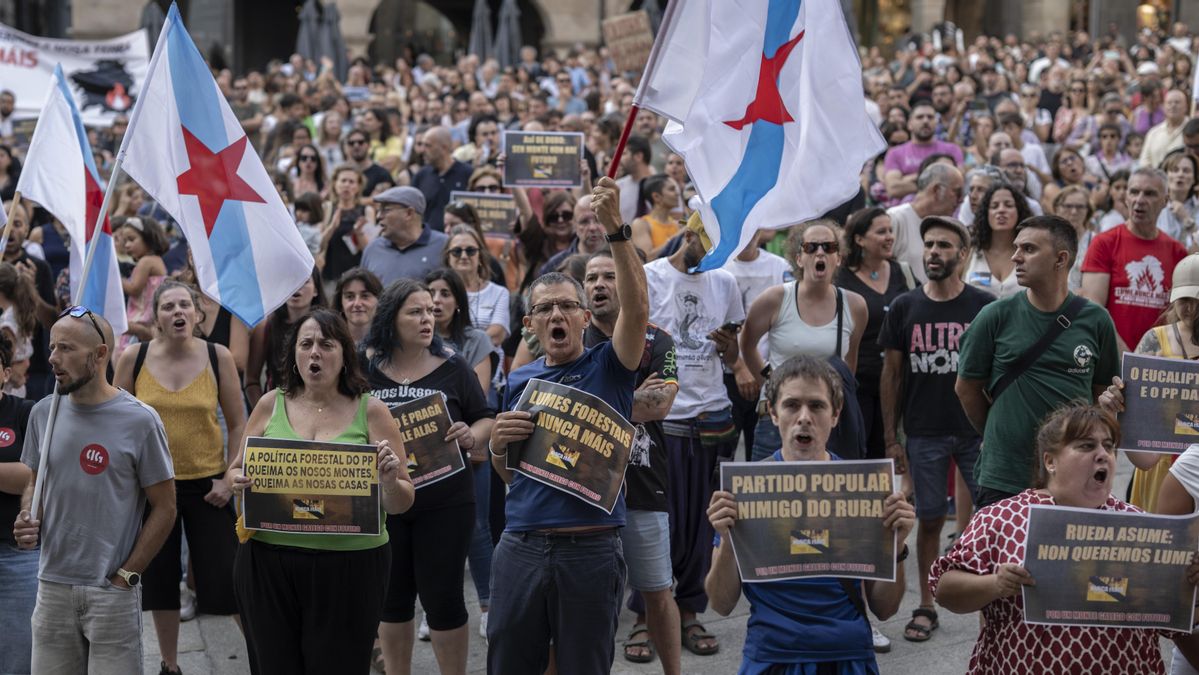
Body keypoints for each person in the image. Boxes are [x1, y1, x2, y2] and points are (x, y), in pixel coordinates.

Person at [486, 176, 648, 673]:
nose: (556, 314)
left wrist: (616, 230)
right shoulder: (520, 381)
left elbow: (637, 309)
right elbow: (515, 474)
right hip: (522, 545)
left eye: (566, 306)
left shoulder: (611, 366)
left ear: (583, 318)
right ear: (530, 325)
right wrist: (496, 449)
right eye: (544, 309)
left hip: (591, 548)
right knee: (509, 662)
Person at [930, 403, 1199, 674]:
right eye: (1086, 446)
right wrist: (996, 584)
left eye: (1108, 445)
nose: (1102, 454)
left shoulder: (1140, 524)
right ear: (1050, 461)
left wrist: (1187, 585)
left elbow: (1174, 623)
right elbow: (945, 590)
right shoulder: (1001, 518)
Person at [226, 308, 415, 674]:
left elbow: (403, 501)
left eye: (326, 345)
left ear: (345, 355)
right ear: (293, 355)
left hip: (350, 568)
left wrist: (389, 482)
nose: (315, 353)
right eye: (306, 344)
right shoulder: (269, 404)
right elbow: (237, 469)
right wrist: (237, 481)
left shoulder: (372, 411)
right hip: (269, 563)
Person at [705, 355, 915, 673]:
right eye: (792, 405)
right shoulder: (744, 491)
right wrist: (727, 538)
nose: (804, 417)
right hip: (772, 656)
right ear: (774, 414)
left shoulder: (866, 491)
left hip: (848, 656)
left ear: (835, 415)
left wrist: (897, 546)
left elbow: (885, 609)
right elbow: (721, 604)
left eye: (816, 406)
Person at [12, 307, 176, 673]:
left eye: (66, 349)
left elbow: (165, 508)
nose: (53, 358)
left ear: (100, 355)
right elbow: (35, 481)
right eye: (52, 347)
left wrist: (127, 575)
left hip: (111, 592)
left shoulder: (141, 420)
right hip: (52, 586)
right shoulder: (43, 413)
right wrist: (28, 514)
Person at [112, 281, 246, 675]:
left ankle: (263, 653)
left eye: (185, 304)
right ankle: (170, 664)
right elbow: (116, 422)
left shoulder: (216, 355)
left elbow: (239, 424)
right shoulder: (133, 358)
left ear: (198, 313)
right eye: (168, 306)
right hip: (153, 489)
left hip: (209, 486)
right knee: (160, 581)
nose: (178, 312)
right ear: (156, 316)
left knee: (226, 579)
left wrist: (229, 474)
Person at [363, 280, 495, 675]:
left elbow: (485, 416)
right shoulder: (362, 366)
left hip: (447, 502)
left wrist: (473, 436)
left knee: (445, 598)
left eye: (430, 310)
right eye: (416, 311)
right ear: (391, 319)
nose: (428, 317)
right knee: (392, 599)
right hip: (384, 502)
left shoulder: (453, 366)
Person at [879, 216, 993, 643]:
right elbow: (891, 376)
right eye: (929, 245)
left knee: (988, 519)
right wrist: (893, 438)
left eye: (944, 246)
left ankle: (991, 603)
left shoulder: (983, 305)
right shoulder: (906, 307)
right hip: (923, 431)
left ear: (963, 255)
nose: (933, 253)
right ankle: (927, 604)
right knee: (927, 520)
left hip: (975, 431)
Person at [956, 215, 1120, 509]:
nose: (1016, 257)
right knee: (1001, 557)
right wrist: (999, 434)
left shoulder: (1096, 320)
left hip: (1073, 479)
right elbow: (966, 387)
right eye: (1016, 248)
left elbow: (1102, 395)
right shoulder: (994, 316)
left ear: (1060, 259)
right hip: (1003, 477)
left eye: (1029, 249)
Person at [642, 211, 744, 656]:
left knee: (703, 524)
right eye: (710, 244)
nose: (715, 255)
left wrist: (730, 348)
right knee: (660, 522)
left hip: (711, 416)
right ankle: (648, 613)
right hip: (666, 418)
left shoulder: (724, 282)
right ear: (689, 235)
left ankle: (689, 612)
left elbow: (733, 350)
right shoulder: (650, 276)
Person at [579, 250, 682, 671]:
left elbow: (660, 405)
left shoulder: (660, 340)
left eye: (609, 275)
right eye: (591, 278)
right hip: (583, 488)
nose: (599, 284)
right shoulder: (571, 337)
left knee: (657, 591)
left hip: (643, 484)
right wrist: (631, 398)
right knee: (589, 600)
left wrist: (592, 401)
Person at [741, 220, 868, 460]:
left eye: (828, 247)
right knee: (769, 491)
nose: (820, 252)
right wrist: (770, 384)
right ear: (799, 258)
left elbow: (848, 366)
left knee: (826, 494)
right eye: (811, 247)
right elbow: (747, 345)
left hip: (825, 420)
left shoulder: (855, 306)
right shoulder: (775, 298)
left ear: (838, 258)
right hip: (778, 419)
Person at [834, 207, 914, 461]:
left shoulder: (903, 272)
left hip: (896, 383)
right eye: (881, 232)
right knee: (854, 456)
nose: (889, 236)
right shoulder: (841, 278)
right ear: (859, 239)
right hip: (856, 385)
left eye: (890, 230)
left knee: (887, 460)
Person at [1081, 167, 1188, 352]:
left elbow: (1183, 317)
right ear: (1126, 198)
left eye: (1149, 194)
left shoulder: (1177, 252)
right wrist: (1128, 359)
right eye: (1134, 192)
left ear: (1165, 201)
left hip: (1161, 363)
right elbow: (1094, 309)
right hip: (1112, 359)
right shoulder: (1104, 243)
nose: (1139, 200)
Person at [0, 334, 36, 674]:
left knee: (18, 659)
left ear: (5, 373)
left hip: (16, 557)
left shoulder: (25, 412)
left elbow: (29, 476)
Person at [245, 269, 324, 407]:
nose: (297, 287)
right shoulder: (266, 327)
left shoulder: (329, 328)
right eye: (290, 281)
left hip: (318, 408)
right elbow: (251, 381)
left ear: (316, 290)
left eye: (304, 281)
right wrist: (266, 413)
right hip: (278, 412)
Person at [886, 163, 965, 283]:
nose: (961, 200)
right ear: (937, 190)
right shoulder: (896, 218)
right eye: (957, 192)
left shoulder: (949, 227)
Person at [361, 186, 450, 287]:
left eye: (386, 210)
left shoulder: (444, 245)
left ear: (409, 213)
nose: (378, 216)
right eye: (379, 210)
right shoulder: (373, 249)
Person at [442, 225, 510, 350]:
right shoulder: (439, 293)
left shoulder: (499, 293)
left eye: (470, 250)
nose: (463, 256)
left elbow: (497, 334)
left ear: (480, 256)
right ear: (448, 257)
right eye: (457, 251)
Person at [882, 101, 964, 204]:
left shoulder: (952, 150)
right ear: (909, 124)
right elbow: (893, 189)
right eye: (920, 117)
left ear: (936, 122)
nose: (925, 121)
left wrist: (908, 179)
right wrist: (938, 181)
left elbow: (957, 185)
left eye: (930, 117)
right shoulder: (895, 153)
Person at [966, 182, 1034, 298]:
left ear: (1019, 211)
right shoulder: (969, 251)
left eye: (1008, 205)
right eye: (994, 206)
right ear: (986, 213)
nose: (1001, 210)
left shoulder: (1032, 254)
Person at [113, 215, 169, 355]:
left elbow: (134, 289)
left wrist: (115, 278)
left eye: (131, 239)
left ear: (148, 238)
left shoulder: (146, 261)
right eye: (125, 241)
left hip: (141, 321)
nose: (126, 245)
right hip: (149, 322)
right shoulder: (156, 260)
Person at [413, 127, 473, 231]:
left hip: (459, 241)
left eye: (428, 145)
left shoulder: (467, 174)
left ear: (444, 148)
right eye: (421, 145)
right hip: (428, 241)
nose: (422, 150)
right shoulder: (421, 175)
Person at [1052, 185, 1097, 292]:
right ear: (1057, 208)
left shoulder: (1096, 241)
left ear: (1088, 210)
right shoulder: (1047, 239)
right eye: (1068, 206)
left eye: (1080, 207)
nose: (1074, 212)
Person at [631, 174, 682, 257]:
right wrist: (678, 235)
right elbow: (647, 258)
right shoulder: (640, 224)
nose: (677, 193)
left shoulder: (679, 223)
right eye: (672, 189)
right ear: (656, 197)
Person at [1157, 151, 1199, 250]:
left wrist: (1187, 220)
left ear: (1194, 179)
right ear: (1166, 176)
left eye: (1186, 171)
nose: (1180, 174)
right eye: (1175, 170)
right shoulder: (1155, 207)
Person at [1140, 89, 1189, 170]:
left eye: (1177, 102)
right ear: (1164, 107)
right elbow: (1144, 161)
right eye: (1169, 103)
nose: (1173, 105)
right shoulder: (1153, 133)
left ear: (1186, 106)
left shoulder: (1194, 131)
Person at [333, 267, 383, 345]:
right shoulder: (330, 343)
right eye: (350, 297)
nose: (357, 304)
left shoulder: (390, 345)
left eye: (365, 296)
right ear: (341, 304)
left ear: (379, 301)